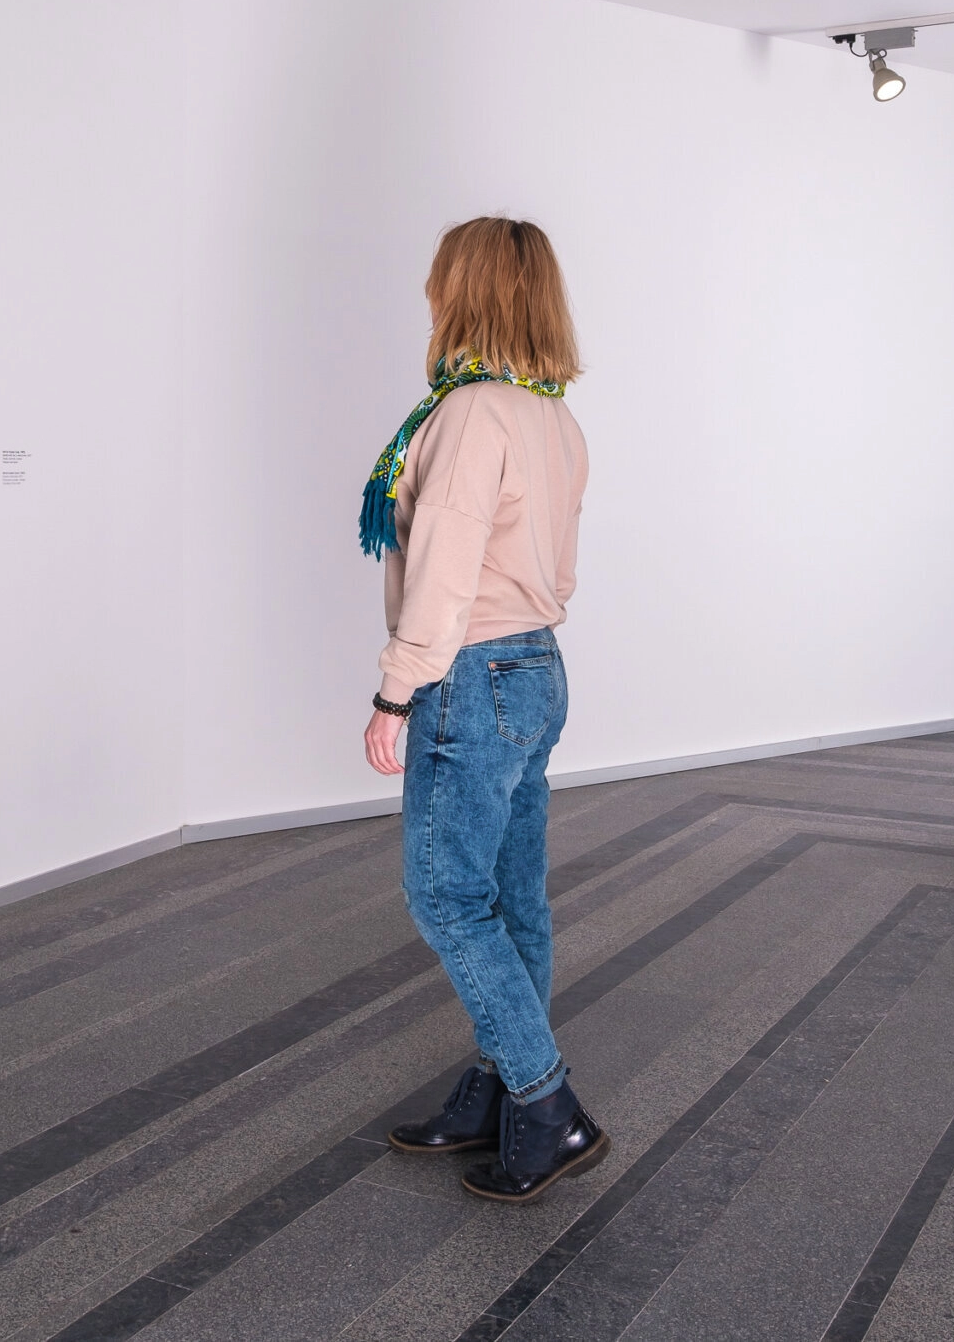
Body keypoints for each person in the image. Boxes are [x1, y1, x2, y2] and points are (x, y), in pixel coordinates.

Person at [359, 216, 602, 1204]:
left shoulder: (465, 417)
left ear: (466, 292)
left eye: (439, 277)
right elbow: (561, 566)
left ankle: (545, 1104)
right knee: (510, 899)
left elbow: (447, 564)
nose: (428, 290)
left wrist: (396, 687)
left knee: (445, 897)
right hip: (537, 667)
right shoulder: (552, 416)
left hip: (470, 671)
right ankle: (504, 1088)